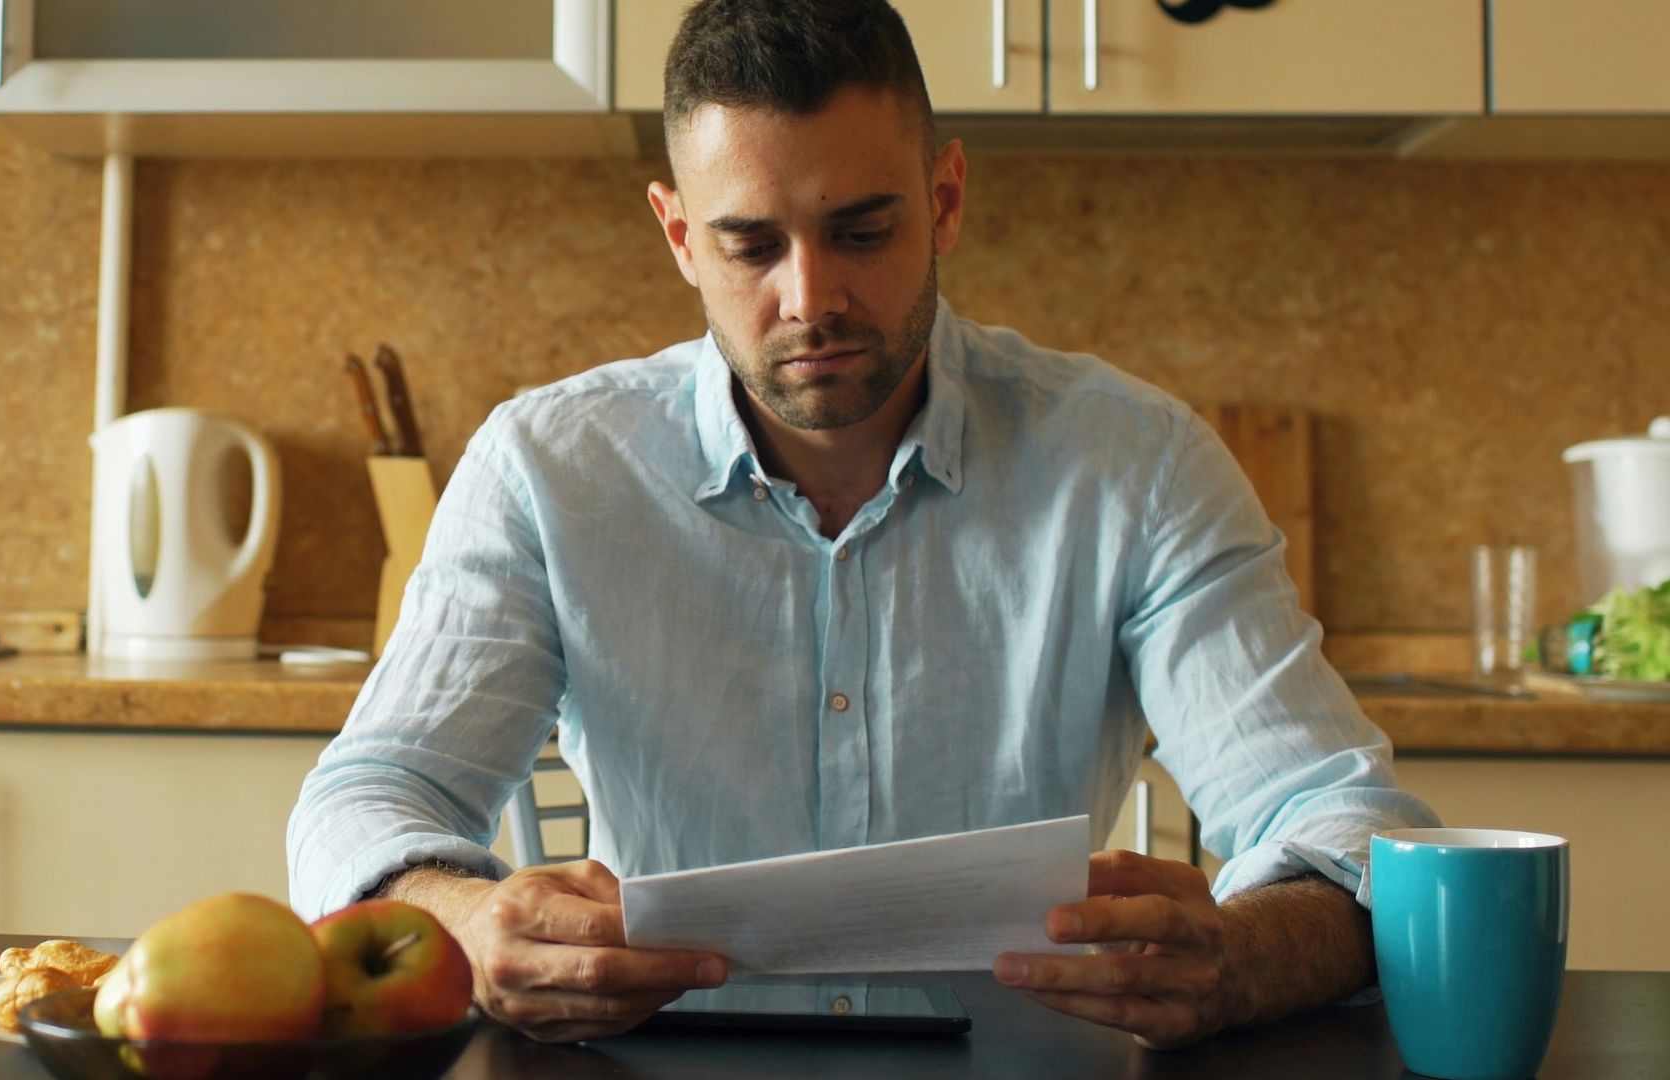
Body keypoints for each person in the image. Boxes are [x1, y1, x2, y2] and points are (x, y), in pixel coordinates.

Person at [288, 0, 1437, 1049]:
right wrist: (471, 917)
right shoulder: (547, 468)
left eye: (862, 230)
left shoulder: (1136, 467)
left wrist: (1239, 956)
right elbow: (361, 805)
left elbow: (1353, 832)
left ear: (944, 200)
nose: (811, 297)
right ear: (680, 236)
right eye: (751, 245)